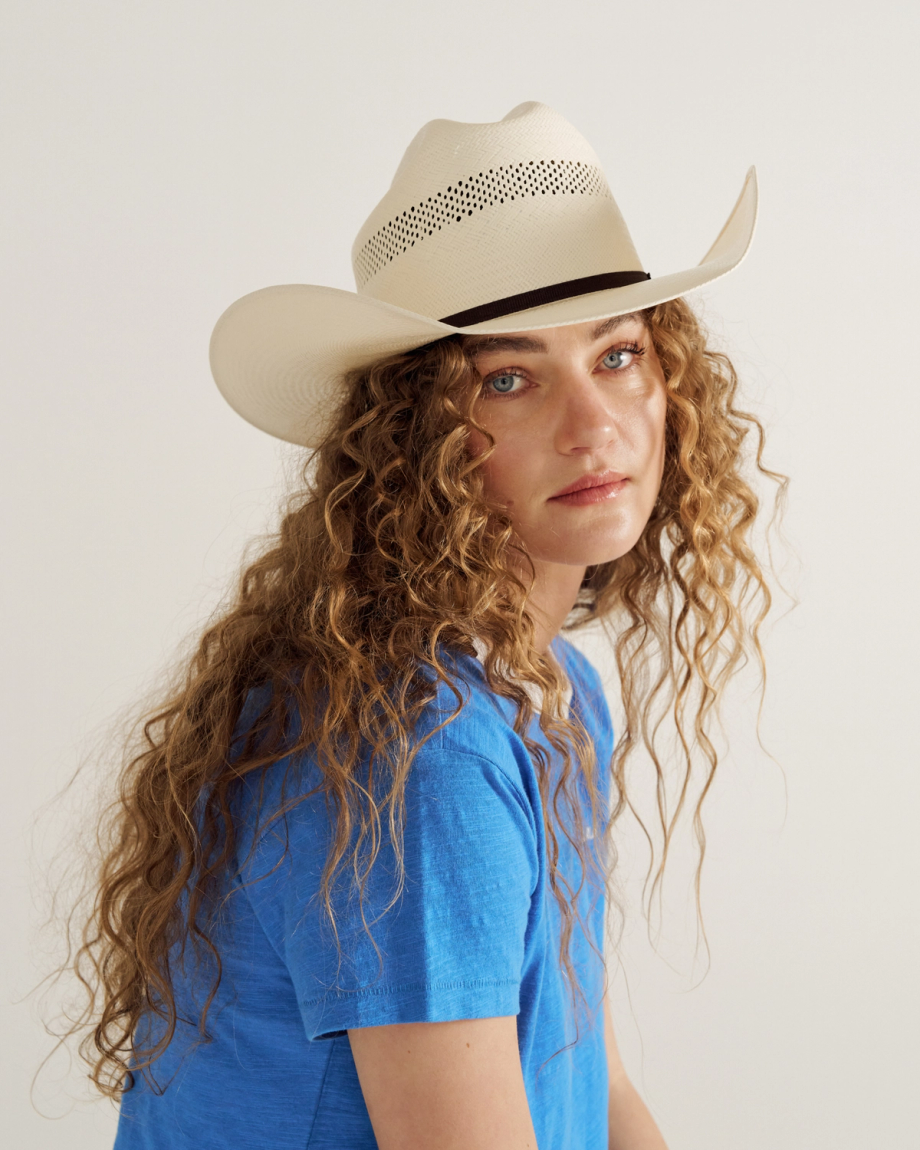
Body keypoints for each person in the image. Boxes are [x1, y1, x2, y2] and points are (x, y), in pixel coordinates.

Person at [67, 102, 778, 1149]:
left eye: (617, 354)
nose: (593, 425)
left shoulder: (551, 694)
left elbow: (595, 1090)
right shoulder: (416, 748)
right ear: (417, 441)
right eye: (508, 376)